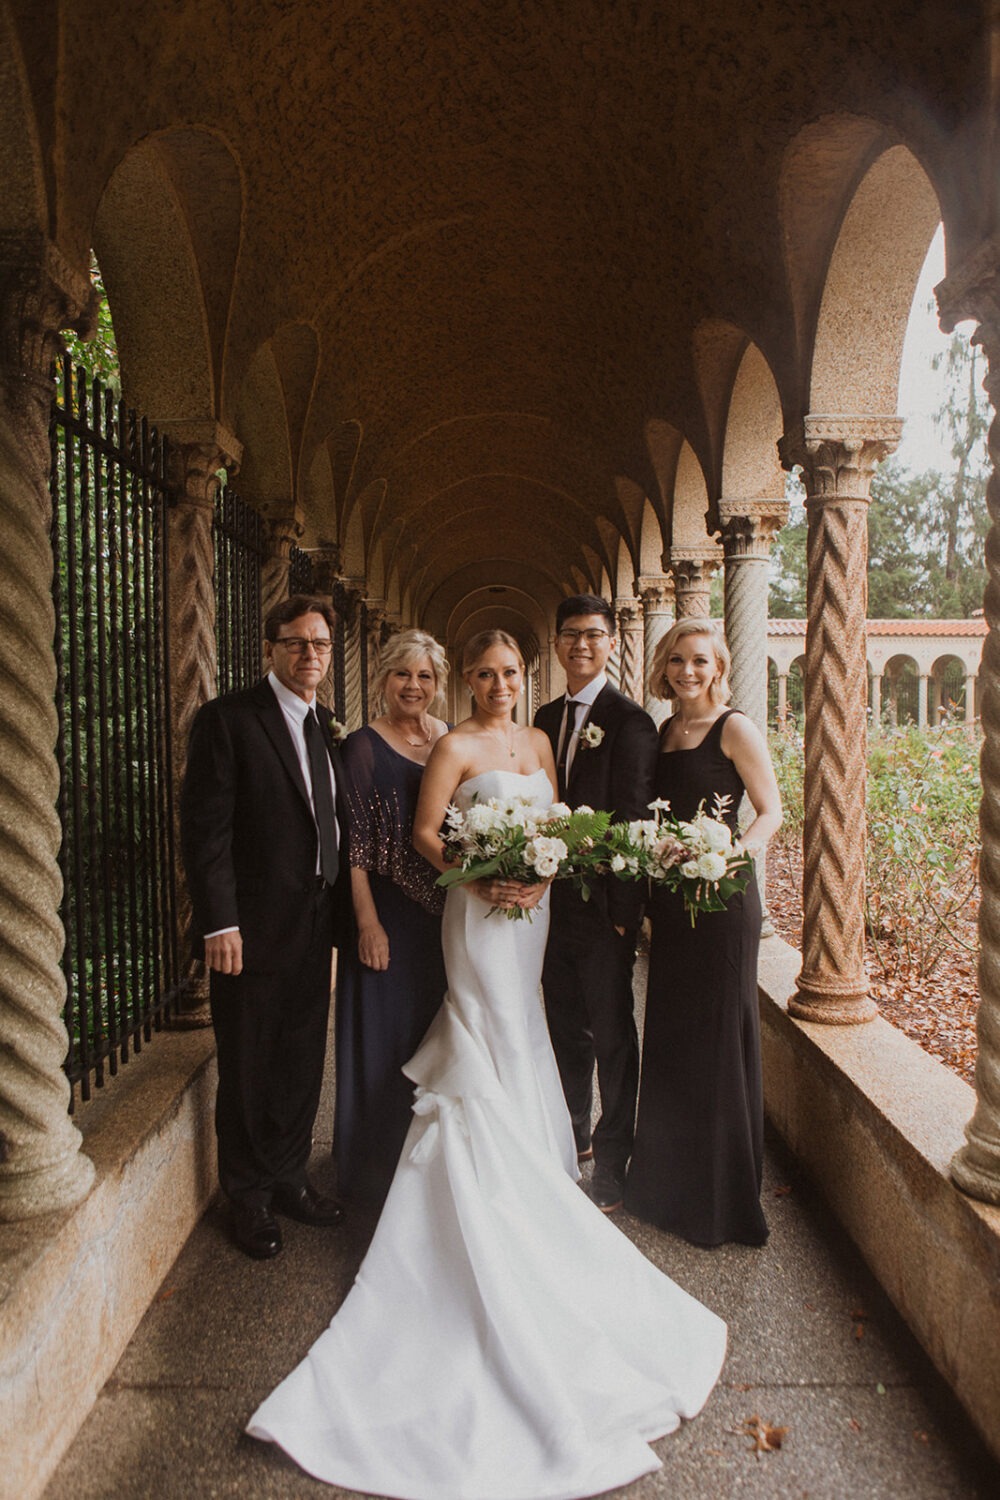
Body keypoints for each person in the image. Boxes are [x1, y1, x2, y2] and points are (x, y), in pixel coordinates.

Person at [246, 628, 726, 1499]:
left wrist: (542, 871)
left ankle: (531, 1167)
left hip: (530, 911)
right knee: (485, 1026)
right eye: (484, 673)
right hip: (476, 912)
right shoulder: (455, 746)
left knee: (526, 1031)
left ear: (521, 676)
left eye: (509, 672)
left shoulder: (539, 742)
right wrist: (480, 874)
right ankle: (475, 1185)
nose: (499, 683)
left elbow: (564, 825)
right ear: (466, 681)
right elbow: (426, 833)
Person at [180, 595, 350, 1260]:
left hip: (315, 918)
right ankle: (247, 1196)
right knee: (249, 1058)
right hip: (249, 927)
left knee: (302, 1055)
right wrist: (218, 922)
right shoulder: (228, 720)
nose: (310, 654)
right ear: (270, 648)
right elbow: (206, 831)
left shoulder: (327, 724)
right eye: (296, 642)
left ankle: (289, 1177)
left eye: (320, 643)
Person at [625, 617, 782, 1247]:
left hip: (722, 903)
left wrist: (728, 856)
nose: (687, 671)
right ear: (663, 667)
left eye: (700, 660)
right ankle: (665, 1187)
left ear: (719, 667)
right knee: (673, 1034)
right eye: (677, 660)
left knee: (717, 1039)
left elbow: (770, 812)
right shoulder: (664, 731)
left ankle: (719, 1202)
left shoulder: (733, 727)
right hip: (674, 904)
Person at [534, 594, 658, 1213]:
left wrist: (625, 915)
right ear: (557, 643)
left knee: (612, 1035)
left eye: (593, 634)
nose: (581, 645)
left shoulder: (631, 722)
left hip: (604, 909)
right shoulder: (544, 716)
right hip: (548, 906)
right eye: (570, 634)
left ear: (612, 642)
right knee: (564, 1028)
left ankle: (612, 1161)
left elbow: (635, 819)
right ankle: (574, 1135)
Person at [333, 628, 450, 1209]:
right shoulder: (361, 746)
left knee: (432, 1035)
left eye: (424, 676)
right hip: (386, 911)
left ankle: (425, 1170)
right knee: (382, 1040)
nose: (413, 685)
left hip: (444, 914)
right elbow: (353, 848)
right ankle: (371, 1172)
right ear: (383, 678)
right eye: (402, 673)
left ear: (438, 684)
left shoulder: (448, 738)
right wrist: (366, 924)